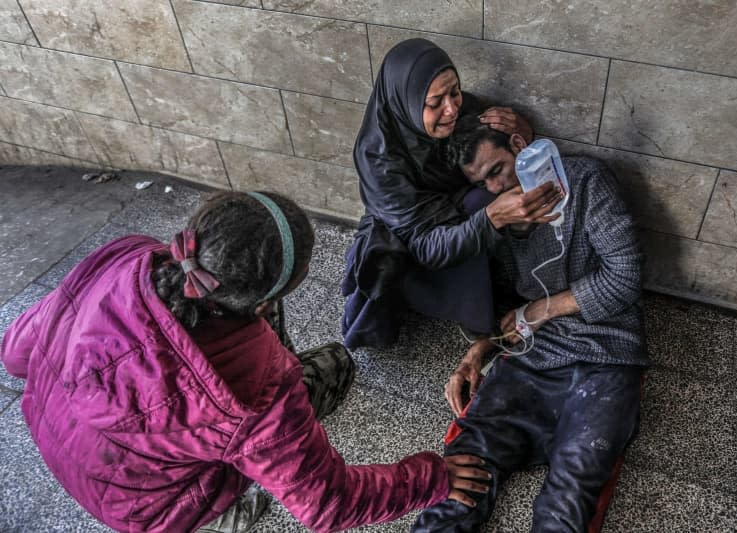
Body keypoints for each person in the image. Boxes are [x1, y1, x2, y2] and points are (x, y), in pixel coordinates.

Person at [0, 191, 492, 533]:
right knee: (337, 363)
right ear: (262, 306)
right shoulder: (259, 391)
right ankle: (225, 513)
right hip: (152, 511)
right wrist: (435, 477)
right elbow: (329, 505)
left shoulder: (130, 257)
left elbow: (16, 353)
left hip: (58, 439)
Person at [412, 114, 650, 532]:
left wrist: (541, 310)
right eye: (482, 184)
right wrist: (477, 351)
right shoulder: (495, 218)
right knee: (464, 466)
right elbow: (502, 304)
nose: (496, 191)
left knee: (571, 491)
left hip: (605, 354)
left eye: (498, 172)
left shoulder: (586, 182)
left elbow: (626, 275)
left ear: (522, 147)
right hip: (530, 358)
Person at [341, 38, 563, 349]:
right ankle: (474, 320)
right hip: (413, 240)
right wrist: (492, 217)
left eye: (455, 92)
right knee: (481, 211)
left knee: (487, 197)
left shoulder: (462, 110)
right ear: (407, 101)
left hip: (453, 208)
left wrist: (523, 135)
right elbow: (426, 245)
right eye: (435, 103)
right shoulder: (379, 161)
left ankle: (505, 285)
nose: (451, 109)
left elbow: (492, 154)